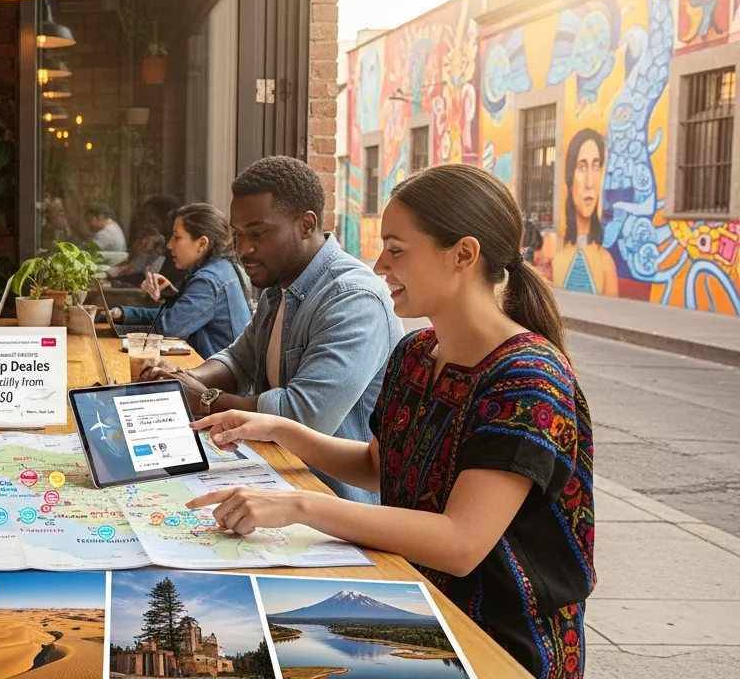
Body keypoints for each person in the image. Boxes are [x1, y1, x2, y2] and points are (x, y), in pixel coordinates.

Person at [188, 164, 594, 679]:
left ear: (464, 255)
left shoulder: (527, 378)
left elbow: (460, 543)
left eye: (397, 249)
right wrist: (281, 429)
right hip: (411, 595)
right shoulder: (417, 353)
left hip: (499, 640)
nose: (379, 265)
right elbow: (380, 466)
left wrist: (296, 504)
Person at [141, 156, 402, 503]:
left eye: (258, 233)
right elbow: (239, 359)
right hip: (272, 483)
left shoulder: (353, 298)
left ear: (306, 225)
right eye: (238, 235)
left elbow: (304, 416)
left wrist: (204, 400)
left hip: (333, 508)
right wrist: (185, 381)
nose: (244, 249)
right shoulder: (280, 285)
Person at [107, 203, 251, 358]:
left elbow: (168, 329)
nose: (169, 245)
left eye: (177, 237)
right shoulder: (222, 268)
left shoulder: (208, 280)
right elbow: (179, 318)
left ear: (202, 244)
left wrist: (123, 321)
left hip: (219, 380)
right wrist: (126, 313)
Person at [551, 128, 618, 296]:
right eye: (581, 167)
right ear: (569, 179)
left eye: (596, 167)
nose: (590, 182)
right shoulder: (554, 258)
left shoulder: (606, 263)